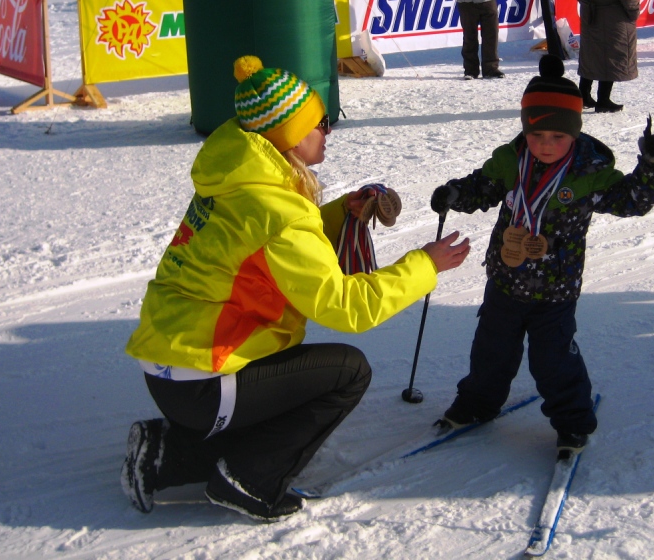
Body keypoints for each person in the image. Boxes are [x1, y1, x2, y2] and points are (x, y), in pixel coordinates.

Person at [122, 56, 471, 521]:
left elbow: (269, 249)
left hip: (172, 367)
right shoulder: (281, 212)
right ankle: (248, 479)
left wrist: (339, 213)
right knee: (347, 372)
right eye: (321, 123)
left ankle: (166, 450)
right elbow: (347, 308)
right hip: (204, 381)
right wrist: (425, 265)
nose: (329, 131)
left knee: (285, 377)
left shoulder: (240, 181)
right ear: (288, 135)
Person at [429, 55, 654, 455]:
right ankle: (476, 405)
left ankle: (573, 421)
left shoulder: (587, 172)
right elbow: (483, 186)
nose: (546, 145)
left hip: (555, 288)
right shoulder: (512, 160)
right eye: (538, 135)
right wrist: (455, 193)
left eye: (558, 137)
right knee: (491, 351)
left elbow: (631, 201)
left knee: (553, 360)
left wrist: (651, 168)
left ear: (574, 134)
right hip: (505, 278)